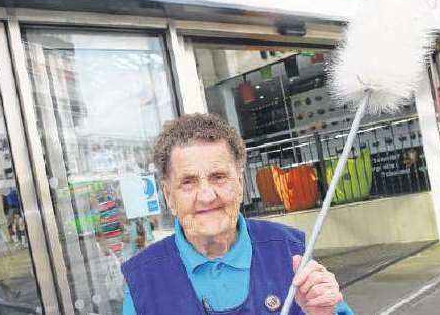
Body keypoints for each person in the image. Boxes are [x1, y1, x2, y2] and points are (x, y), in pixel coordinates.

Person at [122, 113, 354, 315]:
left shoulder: (288, 251)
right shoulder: (143, 281)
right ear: (169, 196)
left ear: (240, 183)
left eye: (218, 177)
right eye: (188, 182)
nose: (206, 196)